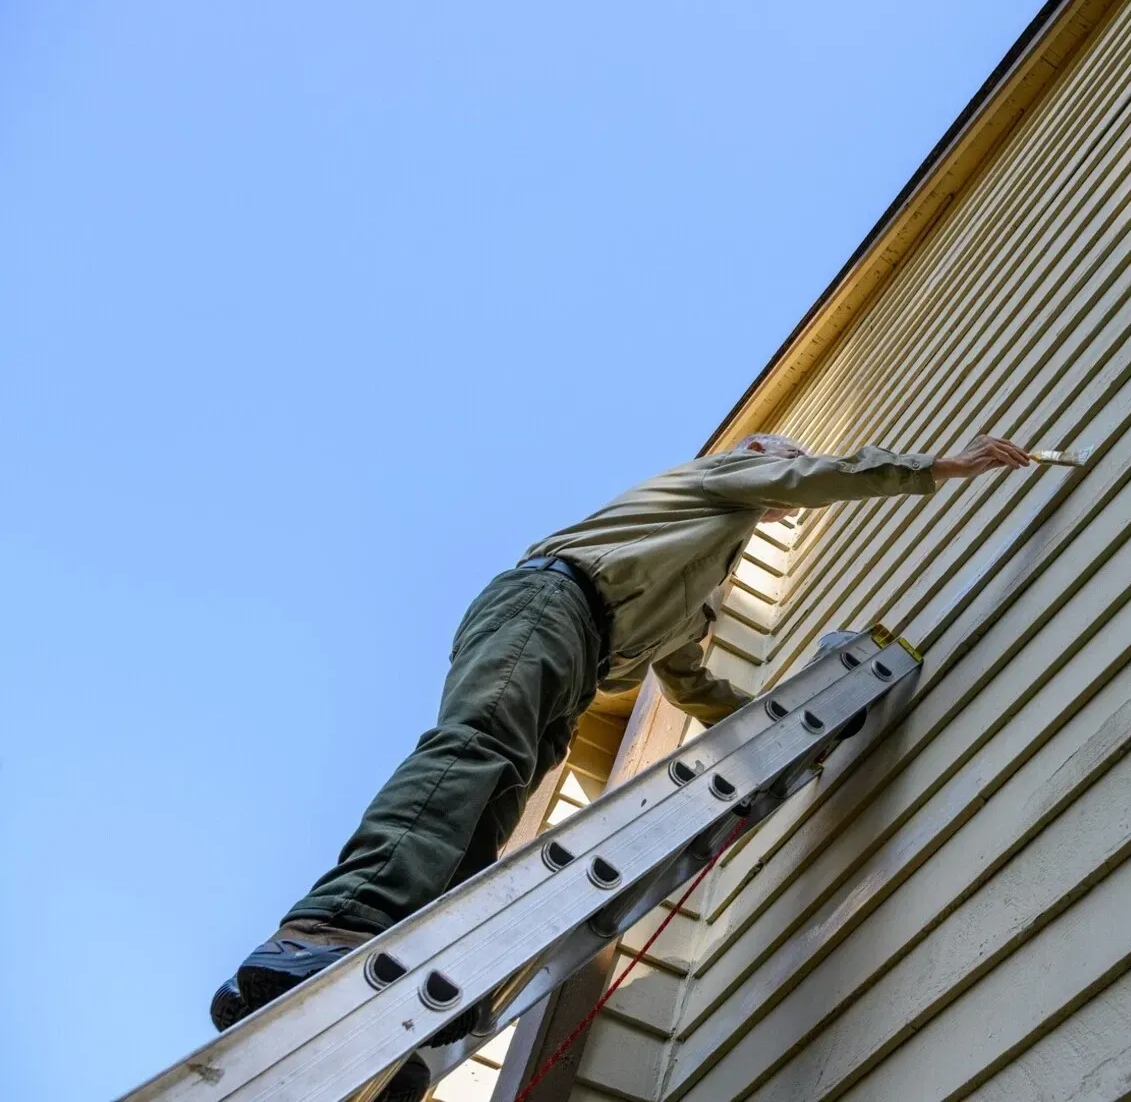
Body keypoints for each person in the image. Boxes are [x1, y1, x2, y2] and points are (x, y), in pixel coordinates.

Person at [208, 431, 1028, 1095]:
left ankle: (400, 987)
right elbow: (816, 478)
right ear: (755, 460)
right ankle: (329, 929)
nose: (788, 487)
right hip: (551, 601)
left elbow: (689, 678)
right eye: (782, 462)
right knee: (478, 749)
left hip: (583, 639)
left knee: (495, 798)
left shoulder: (696, 572)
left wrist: (775, 729)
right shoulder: (714, 482)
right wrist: (937, 467)